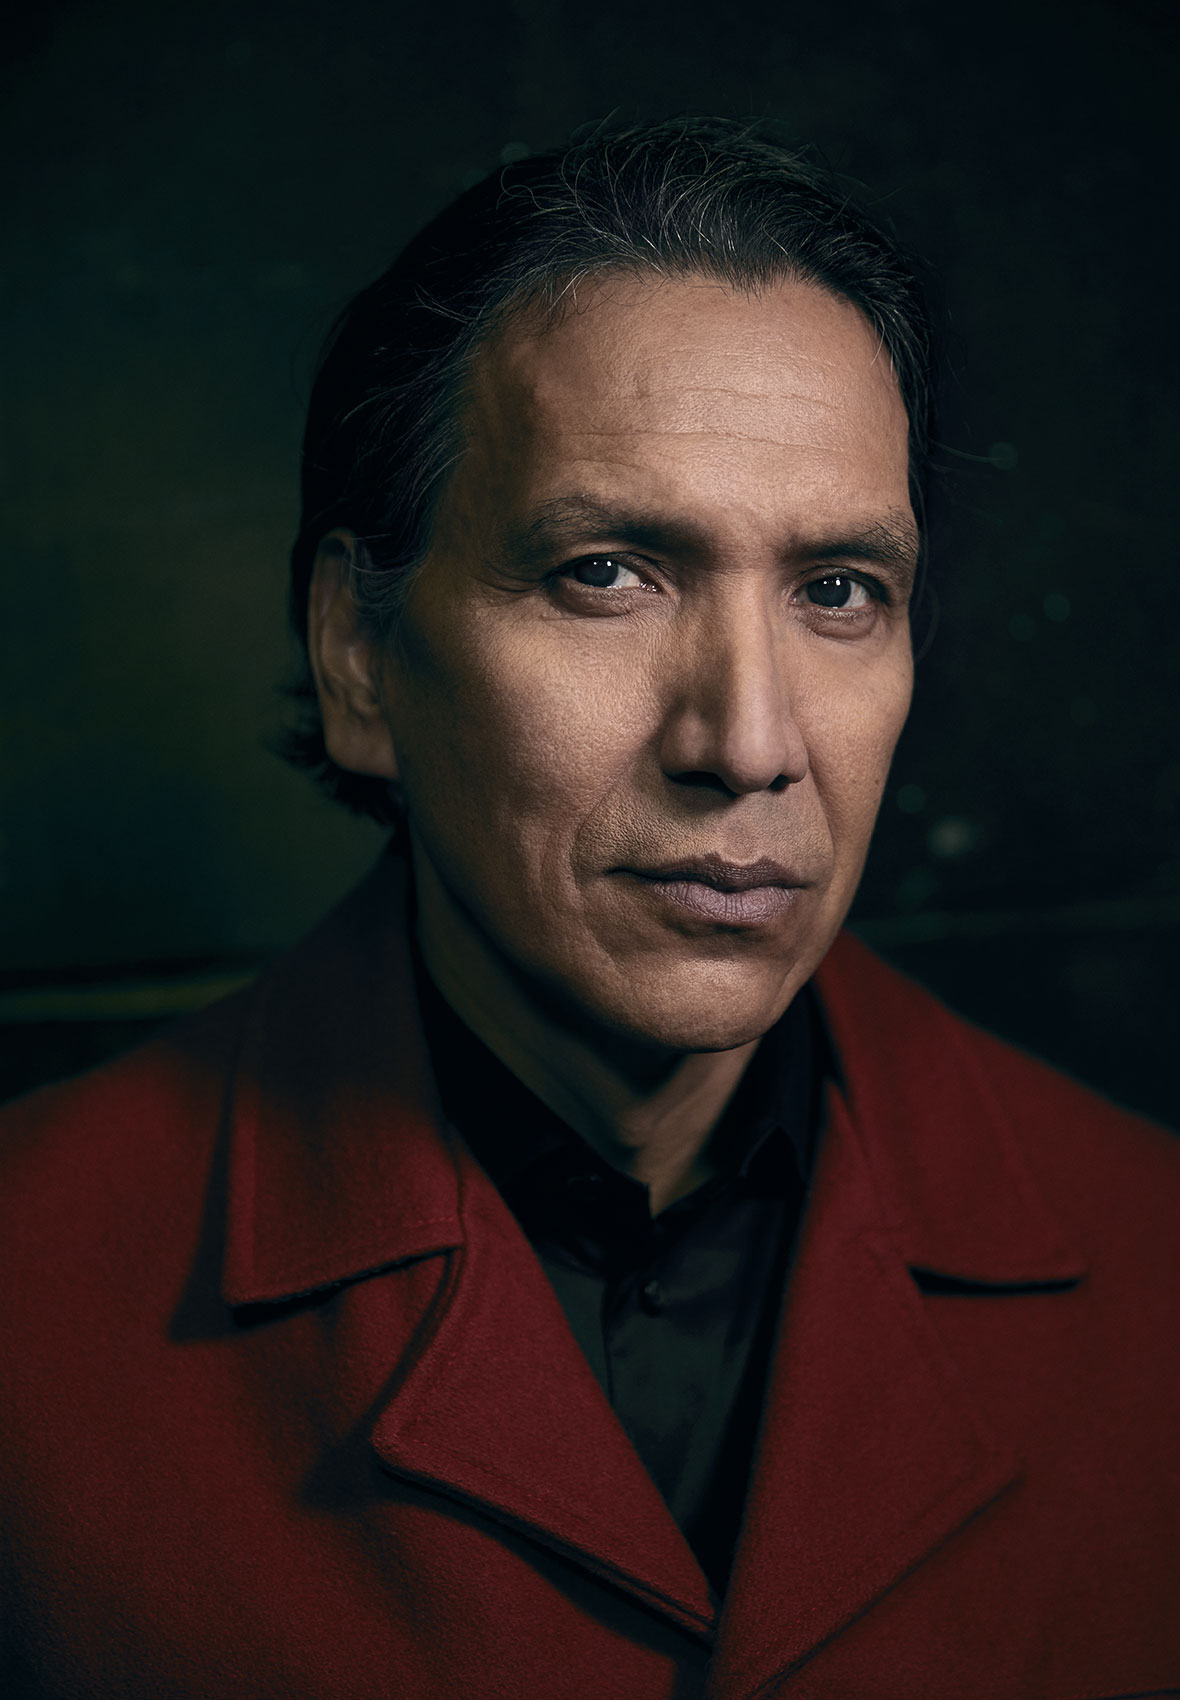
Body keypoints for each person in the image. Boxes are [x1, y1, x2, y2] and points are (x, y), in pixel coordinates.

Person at [2, 118, 1177, 1700]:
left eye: (839, 590)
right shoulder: (29, 1302)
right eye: (608, 572)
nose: (748, 742)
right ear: (359, 655)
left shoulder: (1156, 1270)